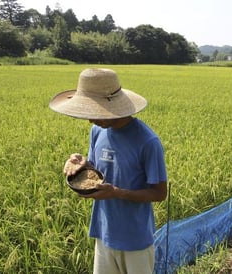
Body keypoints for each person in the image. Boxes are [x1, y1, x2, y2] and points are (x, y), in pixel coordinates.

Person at [49, 68, 167, 274]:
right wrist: (81, 163)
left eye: (96, 112)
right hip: (103, 232)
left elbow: (159, 193)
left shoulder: (148, 141)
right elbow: (95, 171)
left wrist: (118, 193)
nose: (91, 120)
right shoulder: (97, 131)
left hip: (135, 240)